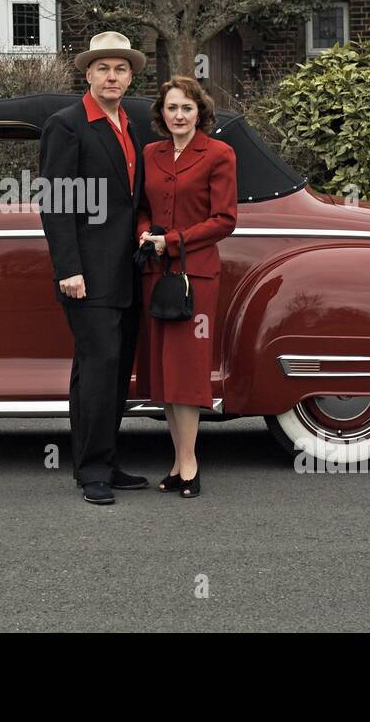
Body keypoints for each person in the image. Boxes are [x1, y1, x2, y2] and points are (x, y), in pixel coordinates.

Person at [39, 31, 150, 506]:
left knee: (112, 370)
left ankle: (103, 460)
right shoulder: (66, 125)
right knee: (99, 367)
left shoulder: (131, 126)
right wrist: (68, 267)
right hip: (86, 274)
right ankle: (92, 473)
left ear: (130, 78)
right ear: (87, 74)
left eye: (120, 69)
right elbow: (55, 202)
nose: (112, 76)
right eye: (103, 68)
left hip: (126, 271)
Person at [136, 76, 237, 499]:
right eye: (172, 108)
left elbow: (224, 220)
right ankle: (178, 463)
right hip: (155, 274)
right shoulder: (150, 153)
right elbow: (141, 208)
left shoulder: (219, 153)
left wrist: (172, 241)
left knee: (187, 370)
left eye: (186, 108)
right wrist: (145, 234)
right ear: (162, 113)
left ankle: (190, 463)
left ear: (200, 112)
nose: (178, 115)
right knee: (164, 372)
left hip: (195, 277)